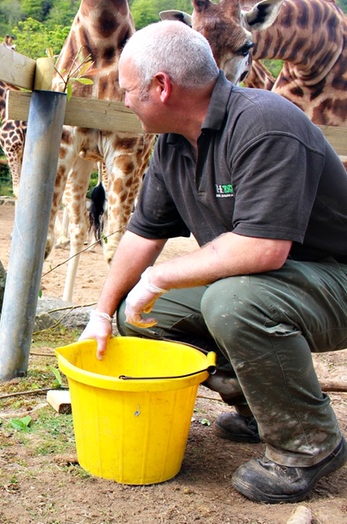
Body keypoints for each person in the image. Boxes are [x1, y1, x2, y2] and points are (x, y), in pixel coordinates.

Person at [79, 20, 347, 503]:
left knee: (232, 300)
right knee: (142, 313)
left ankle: (308, 444)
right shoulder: (174, 144)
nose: (123, 101)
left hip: (337, 281)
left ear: (162, 87)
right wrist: (101, 314)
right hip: (276, 283)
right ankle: (260, 409)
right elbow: (144, 233)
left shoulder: (266, 124)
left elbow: (262, 249)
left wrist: (158, 276)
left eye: (128, 90)